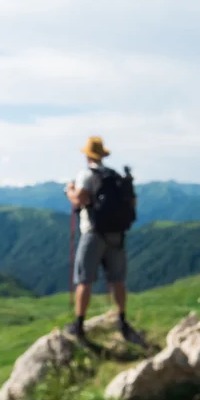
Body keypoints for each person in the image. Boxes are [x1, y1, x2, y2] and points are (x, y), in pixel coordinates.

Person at [64, 136, 137, 342]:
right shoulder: (114, 176)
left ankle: (78, 325)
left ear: (87, 155)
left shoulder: (86, 175)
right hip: (117, 235)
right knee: (118, 279)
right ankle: (122, 320)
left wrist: (69, 190)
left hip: (93, 233)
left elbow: (79, 200)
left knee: (84, 279)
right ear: (103, 155)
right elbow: (132, 201)